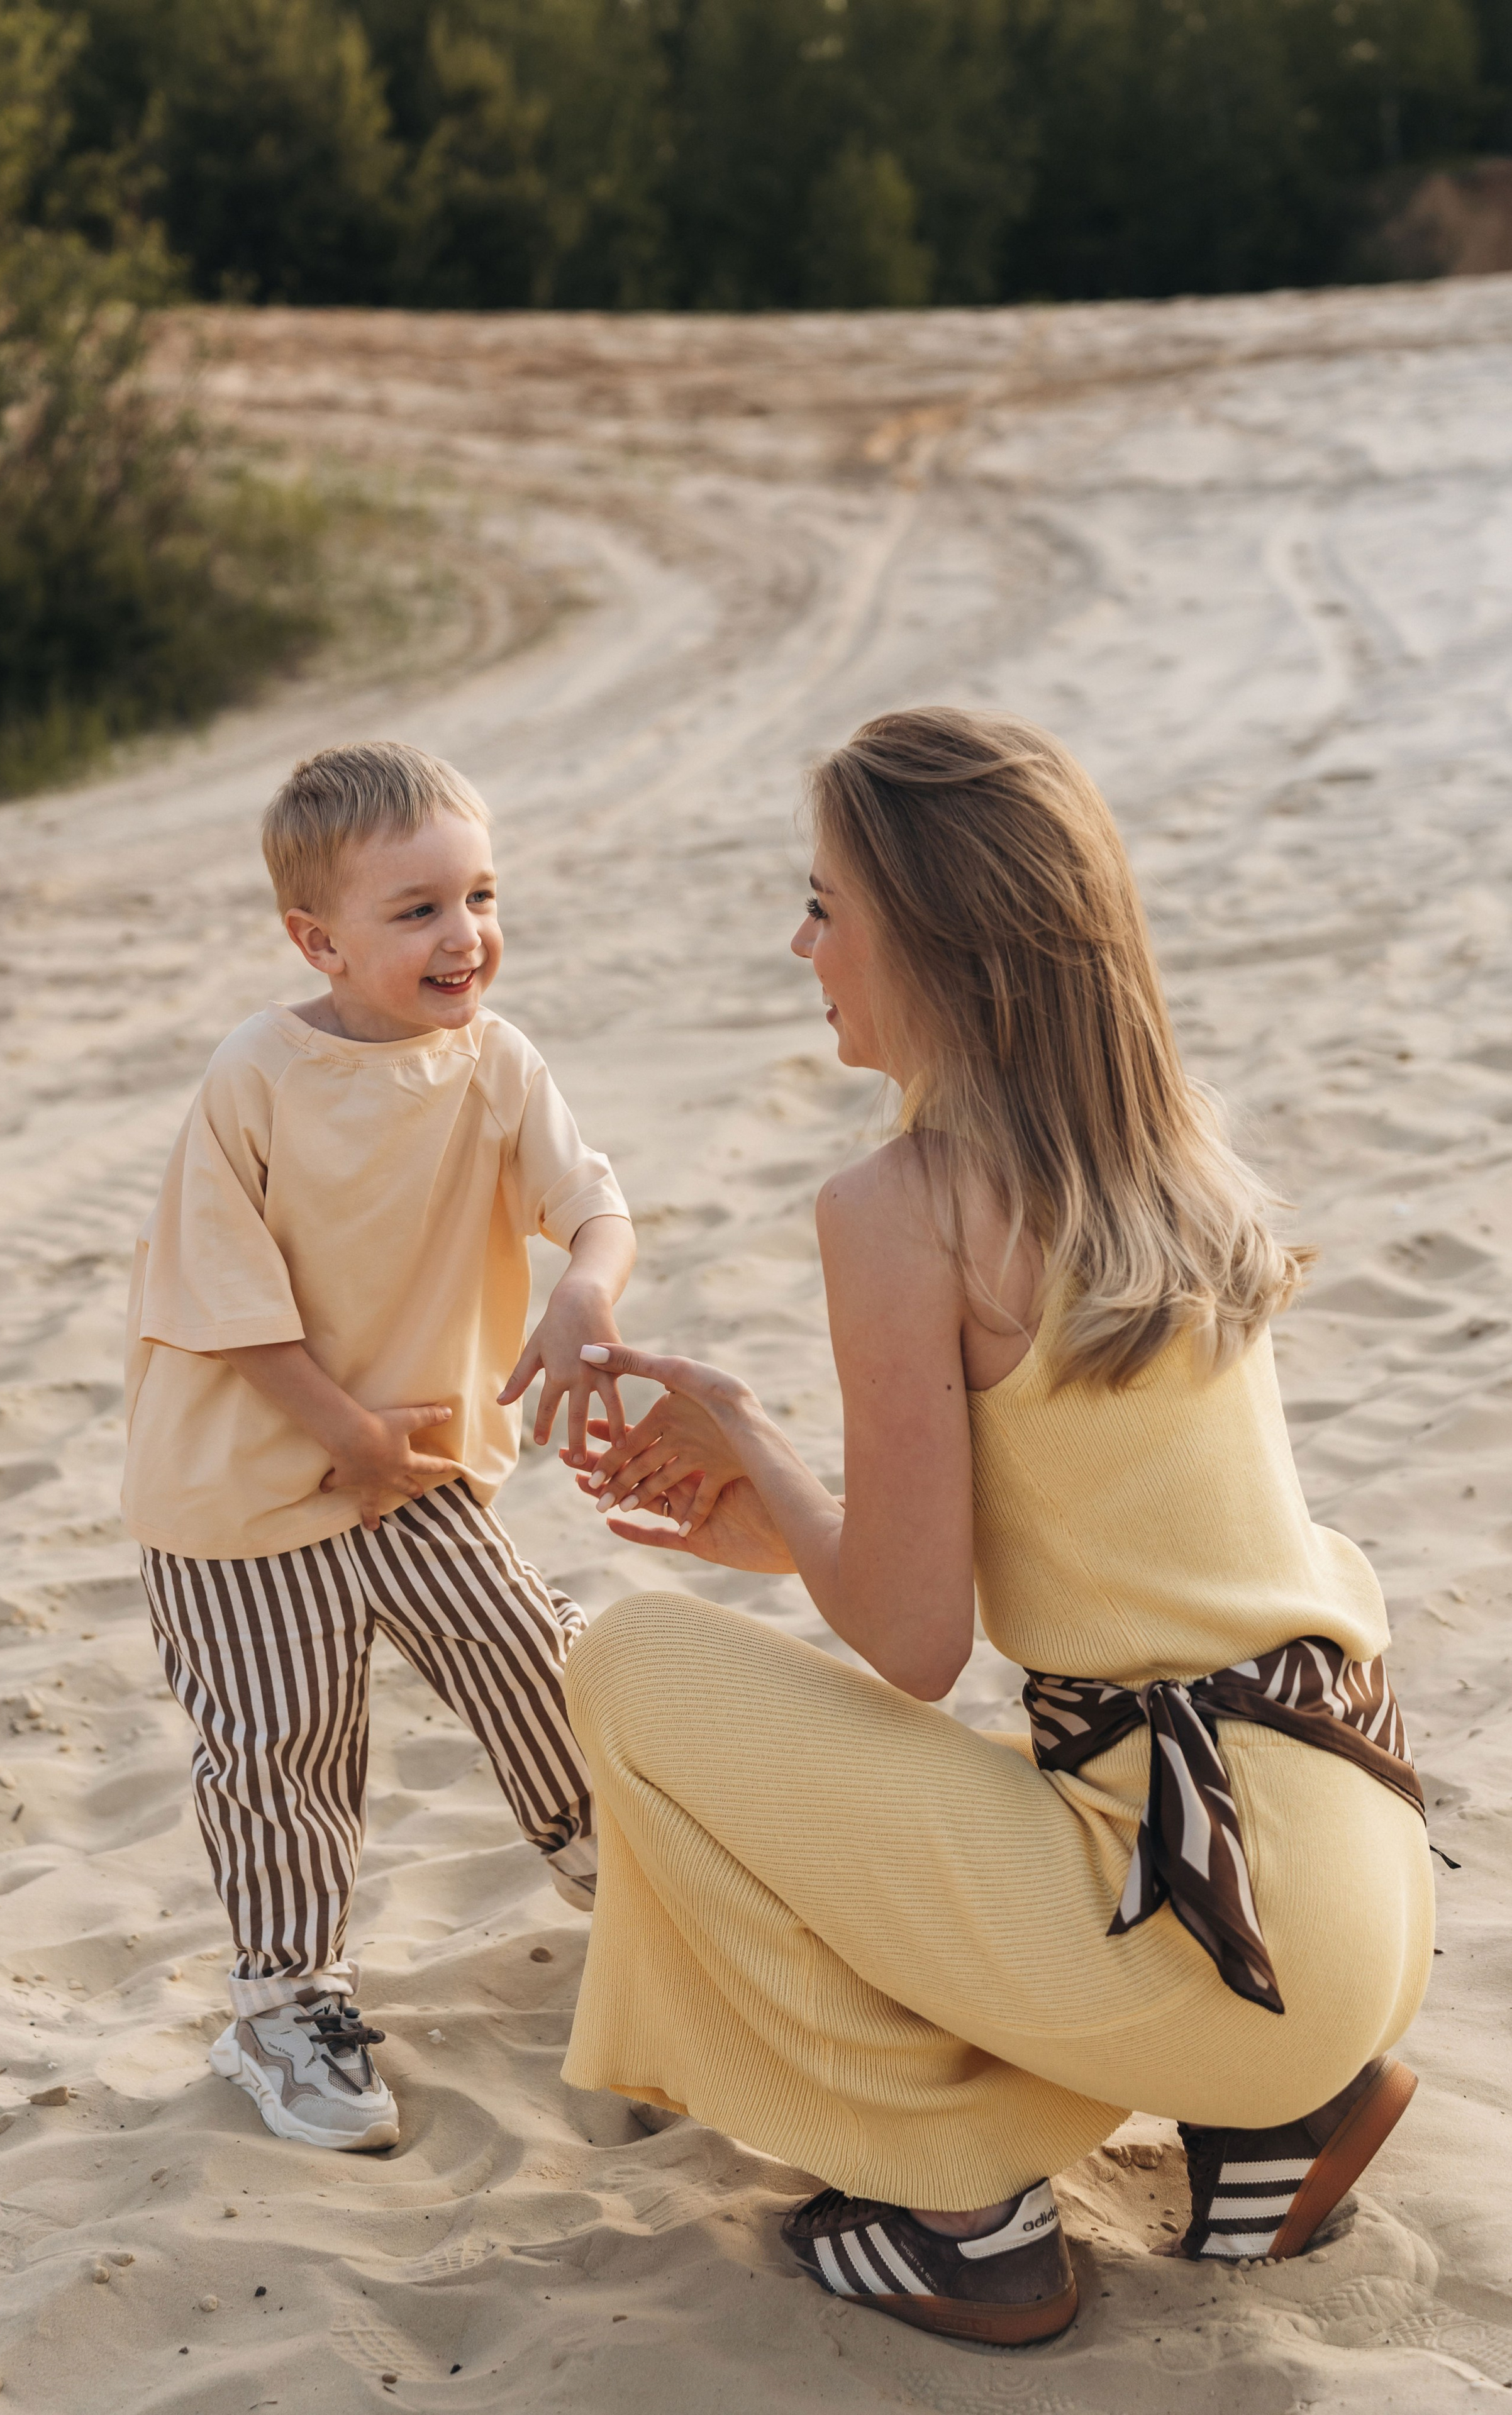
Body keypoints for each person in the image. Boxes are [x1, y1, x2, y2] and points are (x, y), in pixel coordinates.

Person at [555, 707, 1432, 2346]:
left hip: (1204, 1929)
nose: (799, 941)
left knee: (623, 1669)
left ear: (936, 945)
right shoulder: (1169, 1156)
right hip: (1354, 1897)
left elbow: (911, 1642)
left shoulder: (899, 1206)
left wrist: (743, 1427)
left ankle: (963, 2210)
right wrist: (770, 1517)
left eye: (826, 904)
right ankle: (1277, 2126)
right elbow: (1088, 1548)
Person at [121, 740, 634, 2152]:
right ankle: (286, 2003)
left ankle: (618, 1863)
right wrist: (340, 1433)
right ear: (318, 941)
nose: (462, 935)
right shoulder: (257, 1077)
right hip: (242, 1490)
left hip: (415, 1467)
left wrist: (587, 1287)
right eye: (414, 911)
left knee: (526, 1644)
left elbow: (593, 1206)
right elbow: (219, 1301)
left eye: (478, 894)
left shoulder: (496, 1065)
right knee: (284, 1744)